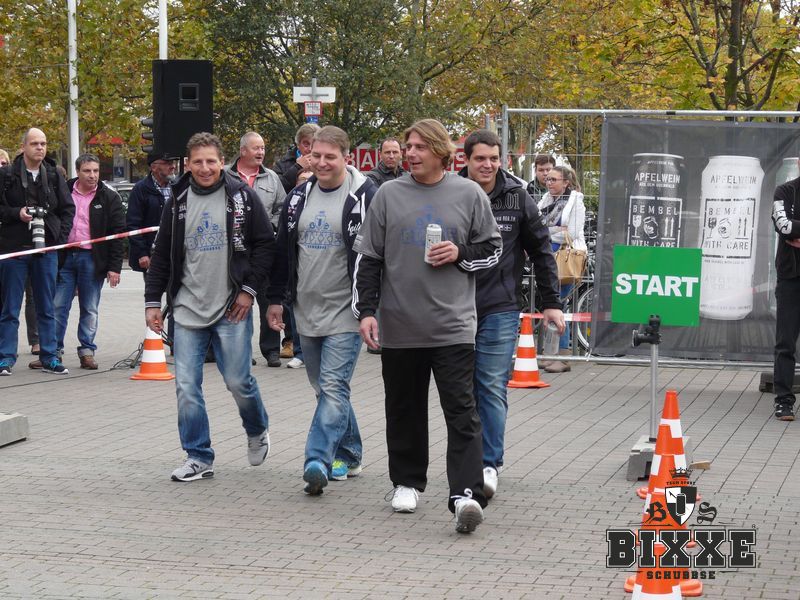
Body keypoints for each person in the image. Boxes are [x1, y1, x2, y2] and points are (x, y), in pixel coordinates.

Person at [353, 118, 502, 533]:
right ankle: (406, 482)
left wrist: (459, 253)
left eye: (419, 147)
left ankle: (465, 494)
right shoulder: (387, 194)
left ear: (440, 152)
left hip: (453, 325)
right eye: (408, 147)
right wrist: (367, 311)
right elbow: (369, 258)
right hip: (399, 323)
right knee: (403, 408)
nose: (410, 154)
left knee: (462, 410)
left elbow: (492, 249)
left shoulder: (468, 193)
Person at [144, 132, 274, 481]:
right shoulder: (177, 200)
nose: (205, 168)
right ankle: (198, 455)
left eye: (211, 161)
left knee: (238, 381)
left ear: (222, 162)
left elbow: (266, 245)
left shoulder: (242, 196)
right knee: (187, 386)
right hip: (187, 308)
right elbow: (162, 255)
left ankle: (257, 428)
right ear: (188, 164)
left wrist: (248, 291)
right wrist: (153, 301)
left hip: (231, 308)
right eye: (198, 162)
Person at [268, 125, 376, 494]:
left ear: (347, 157)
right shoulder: (298, 196)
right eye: (316, 155)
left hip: (347, 310)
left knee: (332, 386)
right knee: (326, 388)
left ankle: (318, 459)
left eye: (331, 156)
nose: (322, 162)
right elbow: (283, 251)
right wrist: (276, 299)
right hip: (306, 308)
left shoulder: (364, 195)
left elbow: (376, 255)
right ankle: (351, 452)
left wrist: (371, 308)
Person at [460, 130, 564, 498]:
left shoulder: (517, 197)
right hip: (453, 308)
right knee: (462, 391)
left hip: (500, 306)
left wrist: (551, 302)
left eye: (494, 158)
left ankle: (489, 463)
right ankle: (467, 459)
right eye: (480, 158)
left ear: (502, 160)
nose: (487, 165)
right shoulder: (451, 192)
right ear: (466, 161)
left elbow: (541, 250)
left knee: (490, 386)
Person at [0, 128, 74, 376]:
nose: (40, 148)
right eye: (34, 143)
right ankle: (5, 358)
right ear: (23, 147)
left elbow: (67, 209)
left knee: (46, 307)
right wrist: (17, 213)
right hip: (14, 249)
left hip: (46, 249)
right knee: (10, 308)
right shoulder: (7, 175)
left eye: (43, 143)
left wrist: (58, 239)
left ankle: (49, 357)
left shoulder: (53, 175)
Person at [48, 153, 125, 370]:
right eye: (87, 171)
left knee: (89, 307)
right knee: (58, 306)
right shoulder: (63, 191)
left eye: (96, 171)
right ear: (77, 172)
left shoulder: (108, 197)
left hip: (92, 258)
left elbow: (118, 234)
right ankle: (53, 352)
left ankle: (87, 351)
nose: (92, 175)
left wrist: (114, 267)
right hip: (65, 257)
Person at [227, 131, 287, 367]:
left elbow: (282, 208)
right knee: (237, 300)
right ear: (243, 151)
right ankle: (240, 350)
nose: (261, 152)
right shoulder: (226, 176)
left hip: (263, 249)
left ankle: (271, 350)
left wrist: (269, 226)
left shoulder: (272, 178)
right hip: (234, 250)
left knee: (266, 299)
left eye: (262, 148)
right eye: (256, 148)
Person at [537, 165, 587, 373]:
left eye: (553, 179)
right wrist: (555, 229)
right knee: (550, 303)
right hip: (549, 254)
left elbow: (572, 232)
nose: (548, 183)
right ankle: (550, 353)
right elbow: (536, 226)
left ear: (566, 182)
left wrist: (548, 231)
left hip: (566, 257)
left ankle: (563, 355)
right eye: (547, 179)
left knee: (560, 304)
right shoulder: (546, 200)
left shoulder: (576, 202)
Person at [771, 157, 800, 421]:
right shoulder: (785, 191)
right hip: (790, 279)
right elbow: (784, 226)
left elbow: (793, 229)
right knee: (785, 343)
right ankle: (783, 401)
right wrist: (791, 231)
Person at [126, 151, 177, 276]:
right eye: (167, 163)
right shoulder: (141, 189)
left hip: (176, 252)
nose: (173, 166)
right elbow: (133, 224)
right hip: (153, 254)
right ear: (154, 167)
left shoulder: (178, 186)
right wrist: (142, 253)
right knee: (155, 287)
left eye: (173, 162)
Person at [274, 123, 320, 193]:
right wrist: (297, 167)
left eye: (314, 144)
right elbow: (275, 188)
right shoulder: (282, 164)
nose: (310, 149)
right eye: (306, 144)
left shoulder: (325, 163)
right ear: (298, 144)